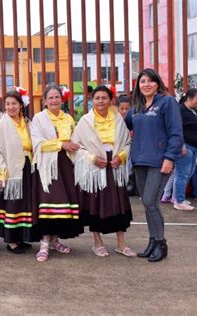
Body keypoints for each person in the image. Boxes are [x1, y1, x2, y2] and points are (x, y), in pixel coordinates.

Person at [125, 68, 183, 262]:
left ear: (157, 84)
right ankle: (152, 241)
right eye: (142, 81)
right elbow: (120, 125)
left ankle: (161, 243)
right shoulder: (136, 108)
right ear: (138, 85)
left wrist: (170, 158)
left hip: (159, 161)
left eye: (150, 81)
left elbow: (176, 132)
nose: (146, 84)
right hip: (140, 161)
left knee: (150, 201)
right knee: (147, 203)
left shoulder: (167, 102)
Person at [71, 85, 134, 258]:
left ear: (111, 99)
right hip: (96, 167)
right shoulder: (85, 121)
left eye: (104, 98)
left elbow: (128, 143)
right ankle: (97, 242)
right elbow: (77, 147)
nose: (100, 101)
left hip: (114, 165)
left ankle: (121, 243)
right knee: (95, 204)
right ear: (92, 99)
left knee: (119, 204)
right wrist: (91, 158)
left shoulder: (119, 119)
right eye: (97, 98)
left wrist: (121, 156)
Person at [30, 84, 84, 262]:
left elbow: (75, 138)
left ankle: (55, 240)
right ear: (44, 101)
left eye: (57, 97)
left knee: (62, 203)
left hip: (66, 164)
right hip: (48, 167)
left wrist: (75, 147)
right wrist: (61, 144)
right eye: (50, 97)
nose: (54, 100)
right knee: (49, 202)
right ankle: (44, 242)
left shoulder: (68, 118)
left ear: (62, 99)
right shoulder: (39, 118)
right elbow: (37, 143)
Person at [0, 88, 34, 254]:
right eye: (7, 104)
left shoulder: (27, 122)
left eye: (14, 103)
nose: (11, 107)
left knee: (25, 204)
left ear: (21, 105)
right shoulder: (2, 125)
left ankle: (21, 236)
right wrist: (1, 172)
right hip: (10, 169)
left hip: (27, 166)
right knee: (12, 204)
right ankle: (12, 241)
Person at [171, 88, 197, 210]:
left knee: (188, 173)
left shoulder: (192, 111)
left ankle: (178, 198)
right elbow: (176, 128)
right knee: (182, 173)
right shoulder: (180, 110)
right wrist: (181, 145)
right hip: (186, 147)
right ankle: (179, 201)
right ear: (189, 98)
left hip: (194, 148)